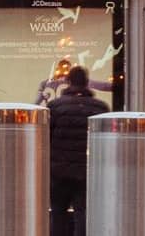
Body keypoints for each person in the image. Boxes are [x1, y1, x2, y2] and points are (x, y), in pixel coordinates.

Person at [47, 64, 109, 236]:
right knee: (83, 212)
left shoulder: (55, 107)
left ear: (68, 82)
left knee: (58, 212)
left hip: (58, 172)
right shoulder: (100, 108)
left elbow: (46, 139)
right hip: (87, 172)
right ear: (87, 82)